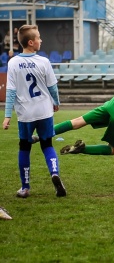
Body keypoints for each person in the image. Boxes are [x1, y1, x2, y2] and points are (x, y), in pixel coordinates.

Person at [3, 25, 66, 198]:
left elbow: (10, 91)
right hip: (44, 111)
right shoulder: (44, 62)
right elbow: (53, 87)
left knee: (24, 147)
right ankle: (54, 173)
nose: (41, 40)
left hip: (25, 114)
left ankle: (25, 188)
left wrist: (7, 115)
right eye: (38, 37)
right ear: (31, 42)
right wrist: (56, 102)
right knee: (47, 145)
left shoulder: (13, 63)